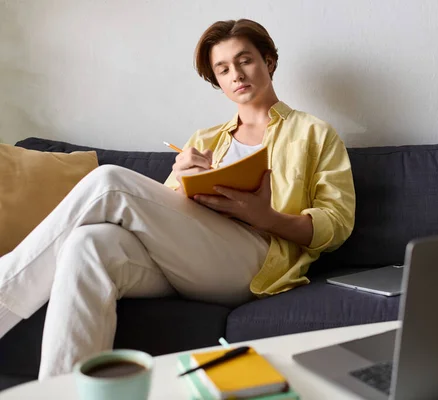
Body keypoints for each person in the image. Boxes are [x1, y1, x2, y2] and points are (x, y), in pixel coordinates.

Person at [0, 19, 355, 378]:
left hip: (257, 260)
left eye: (245, 60)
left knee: (110, 181)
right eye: (223, 68)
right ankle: (64, 391)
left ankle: (4, 288)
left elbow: (337, 223)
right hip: (189, 258)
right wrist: (182, 181)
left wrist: (267, 217)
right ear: (217, 80)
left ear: (269, 62)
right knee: (86, 244)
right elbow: (156, 214)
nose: (236, 74)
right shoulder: (204, 139)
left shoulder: (313, 133)